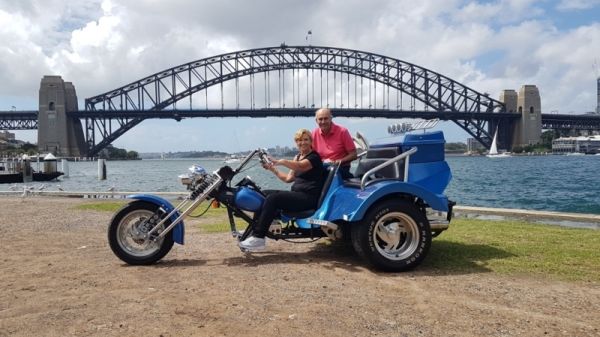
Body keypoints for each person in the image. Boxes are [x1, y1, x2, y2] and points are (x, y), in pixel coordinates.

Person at [239, 129, 325, 252]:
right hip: (298, 194)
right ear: (296, 142)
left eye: (306, 139)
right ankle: (254, 229)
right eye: (299, 140)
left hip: (308, 198)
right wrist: (272, 169)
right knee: (263, 194)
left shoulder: (314, 157)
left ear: (311, 141)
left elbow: (300, 166)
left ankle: (259, 237)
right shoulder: (298, 157)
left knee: (274, 199)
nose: (303, 142)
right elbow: (288, 179)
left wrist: (280, 161)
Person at [312, 108, 357, 179]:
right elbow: (312, 155)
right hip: (322, 168)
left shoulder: (342, 132)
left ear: (331, 119)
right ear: (316, 121)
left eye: (326, 118)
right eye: (320, 119)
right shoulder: (314, 133)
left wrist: (338, 161)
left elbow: (354, 155)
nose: (323, 122)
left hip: (340, 168)